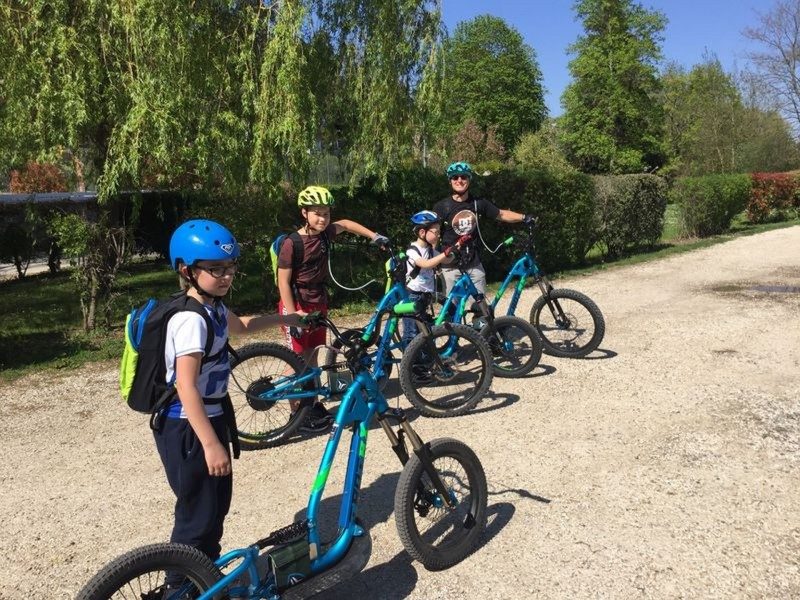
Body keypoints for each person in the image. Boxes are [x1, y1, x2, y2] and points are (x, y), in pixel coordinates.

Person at [158, 219, 303, 594]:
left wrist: (286, 318)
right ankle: (179, 588)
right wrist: (210, 443)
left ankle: (203, 578)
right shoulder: (190, 319)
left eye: (229, 268)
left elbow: (243, 326)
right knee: (196, 516)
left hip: (212, 416)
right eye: (215, 269)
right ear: (187, 270)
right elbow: (185, 386)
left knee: (213, 510)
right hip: (189, 426)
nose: (225, 277)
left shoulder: (213, 308)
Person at [277, 185, 389, 432]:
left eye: (326, 213)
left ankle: (311, 405)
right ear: (304, 213)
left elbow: (347, 223)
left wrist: (374, 235)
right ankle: (295, 413)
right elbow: (283, 282)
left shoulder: (325, 234)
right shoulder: (291, 243)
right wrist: (294, 315)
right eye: (316, 213)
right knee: (295, 360)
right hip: (296, 304)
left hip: (318, 302)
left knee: (312, 355)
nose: (322, 218)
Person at [433, 161, 535, 296]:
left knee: (481, 311)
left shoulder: (478, 203)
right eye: (455, 177)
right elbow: (433, 235)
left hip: (474, 264)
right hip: (450, 267)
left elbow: (501, 214)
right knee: (451, 311)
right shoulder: (441, 207)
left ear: (469, 179)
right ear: (450, 181)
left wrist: (524, 217)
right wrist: (434, 262)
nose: (459, 180)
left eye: (463, 177)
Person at [401, 210, 458, 346]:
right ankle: (410, 363)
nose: (439, 235)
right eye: (436, 232)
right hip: (412, 296)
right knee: (411, 333)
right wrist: (444, 254)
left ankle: (424, 359)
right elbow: (426, 264)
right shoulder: (412, 251)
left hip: (425, 295)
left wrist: (456, 251)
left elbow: (446, 260)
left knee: (424, 331)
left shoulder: (431, 250)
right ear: (422, 233)